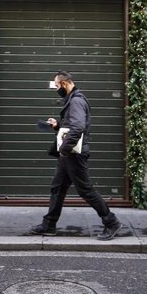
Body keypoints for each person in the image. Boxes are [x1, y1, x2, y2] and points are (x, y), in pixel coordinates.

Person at [30, 71, 122, 241]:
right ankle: (49, 224)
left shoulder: (77, 101)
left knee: (85, 189)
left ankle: (111, 222)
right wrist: (58, 125)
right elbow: (71, 127)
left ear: (64, 84)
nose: (57, 89)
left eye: (57, 86)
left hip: (73, 154)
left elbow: (78, 127)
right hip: (68, 154)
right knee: (57, 187)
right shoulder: (73, 100)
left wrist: (64, 149)